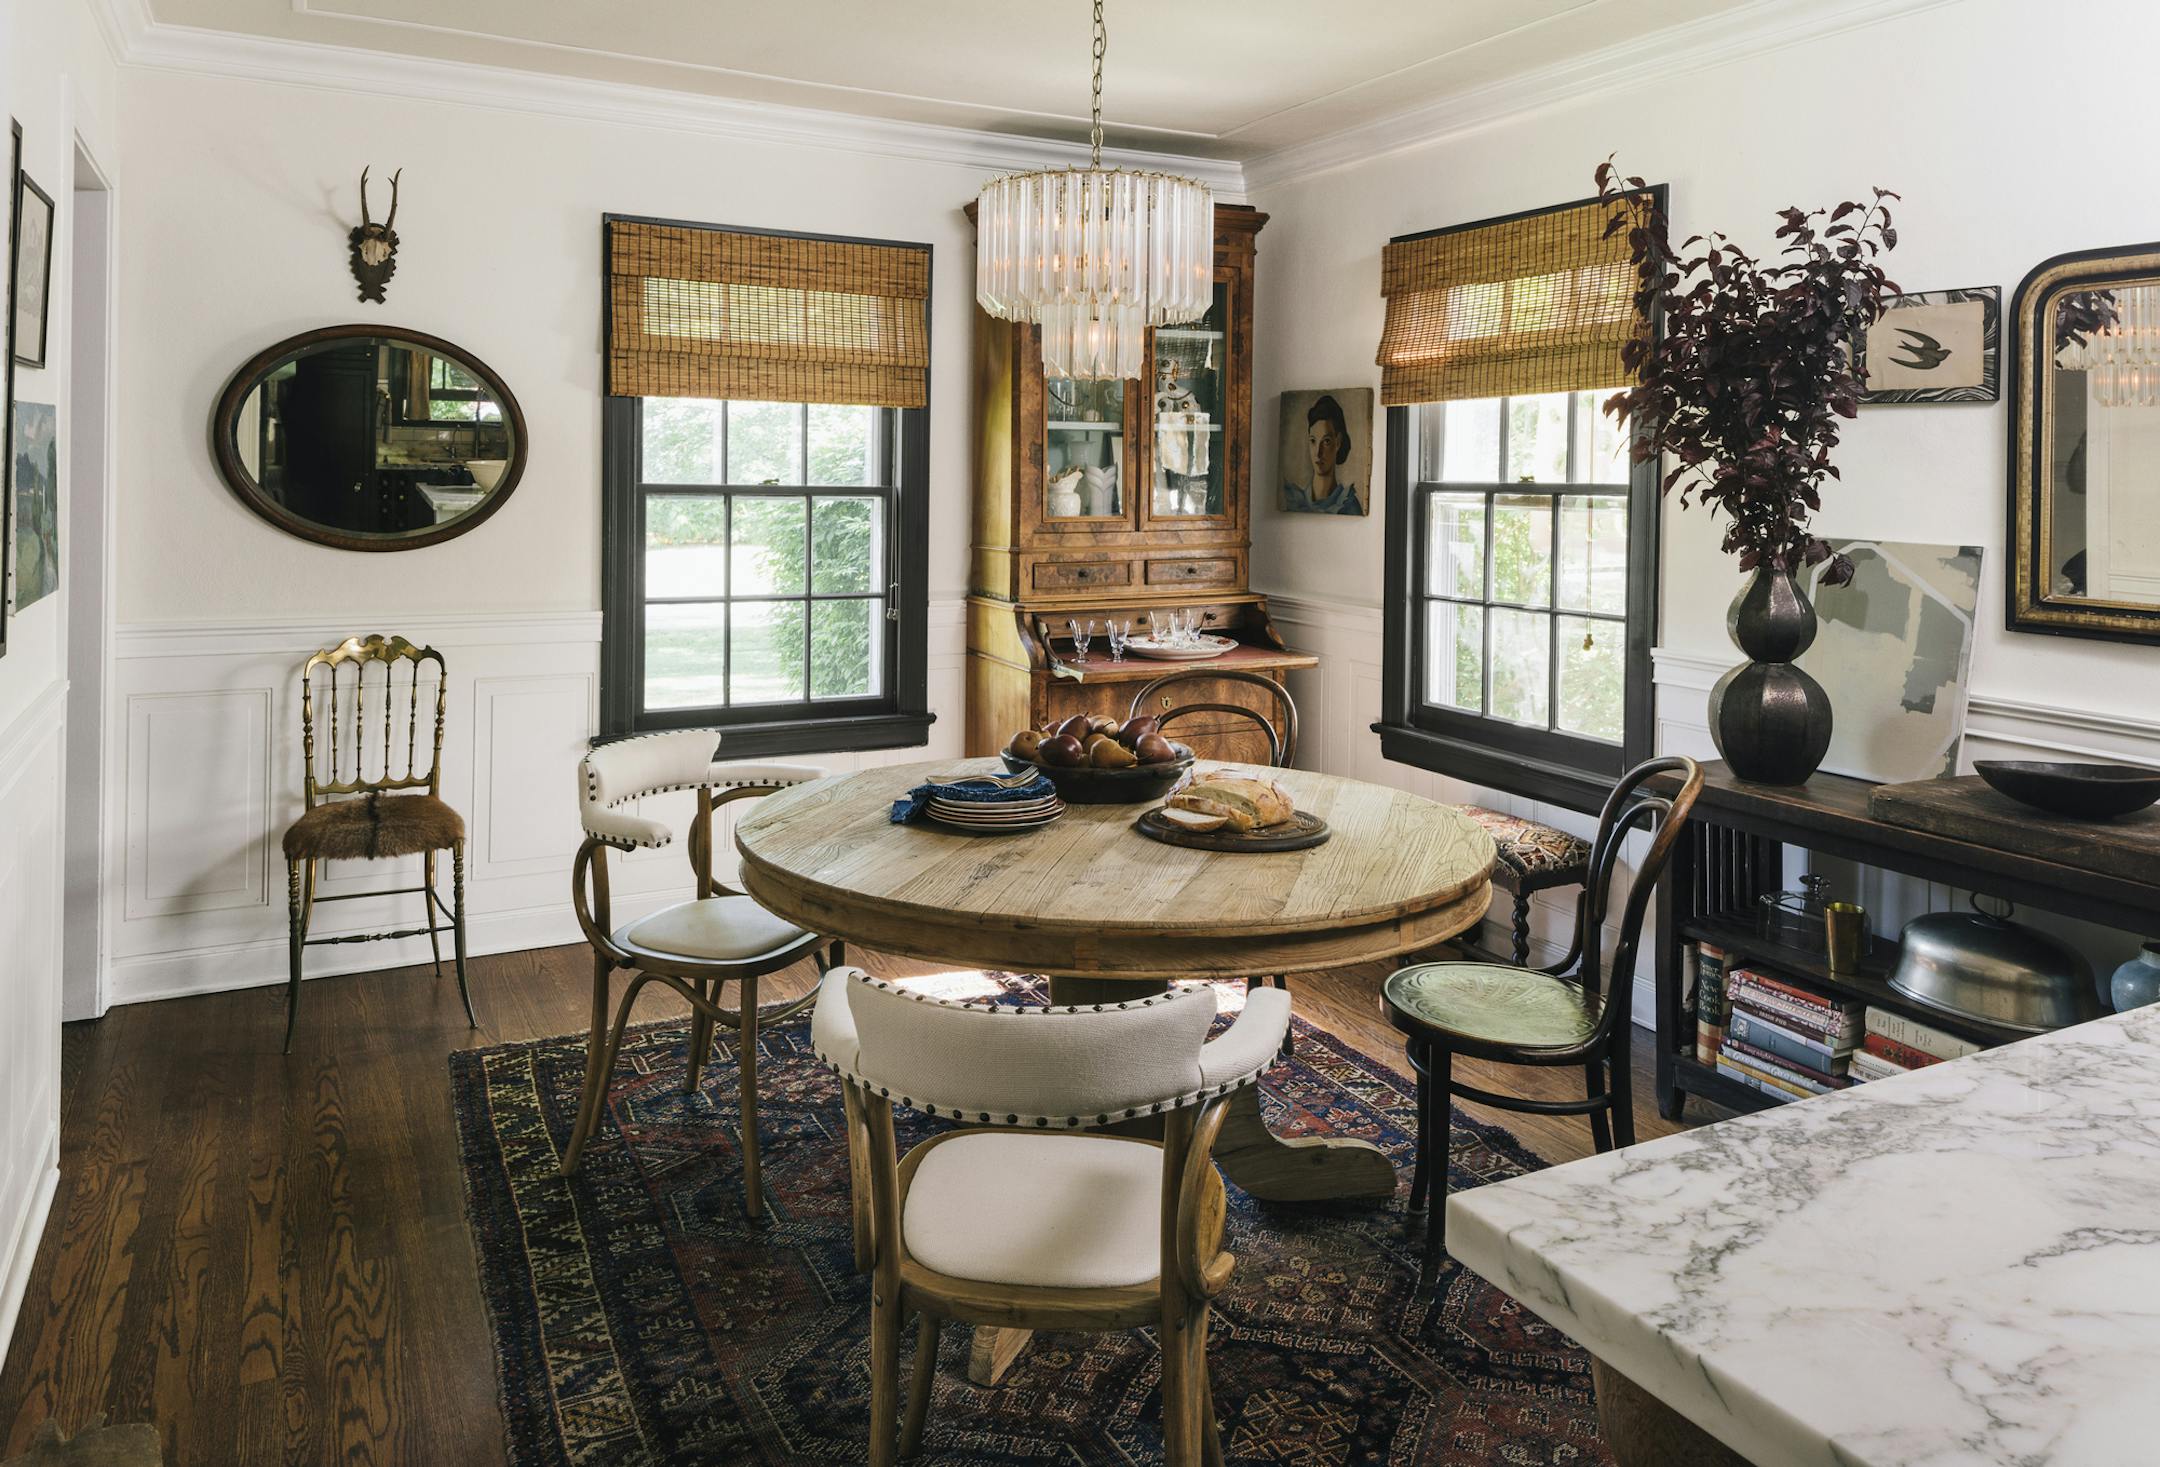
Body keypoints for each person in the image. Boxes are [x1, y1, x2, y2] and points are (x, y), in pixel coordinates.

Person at [1283, 394, 1361, 514]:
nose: (1318, 453)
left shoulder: (1349, 506)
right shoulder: (1295, 502)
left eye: (1326, 441)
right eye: (1313, 441)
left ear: (1338, 442)